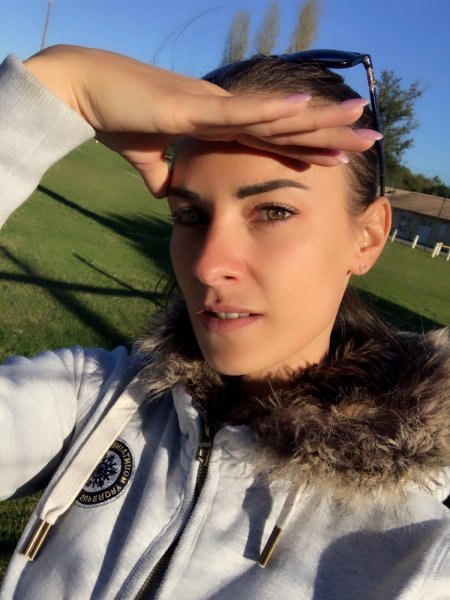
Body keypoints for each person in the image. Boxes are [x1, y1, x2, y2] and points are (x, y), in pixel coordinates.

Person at [0, 44, 449, 599]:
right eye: (190, 215)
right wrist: (56, 88)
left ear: (368, 237)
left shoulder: (417, 556)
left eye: (273, 211)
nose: (208, 265)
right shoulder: (98, 398)